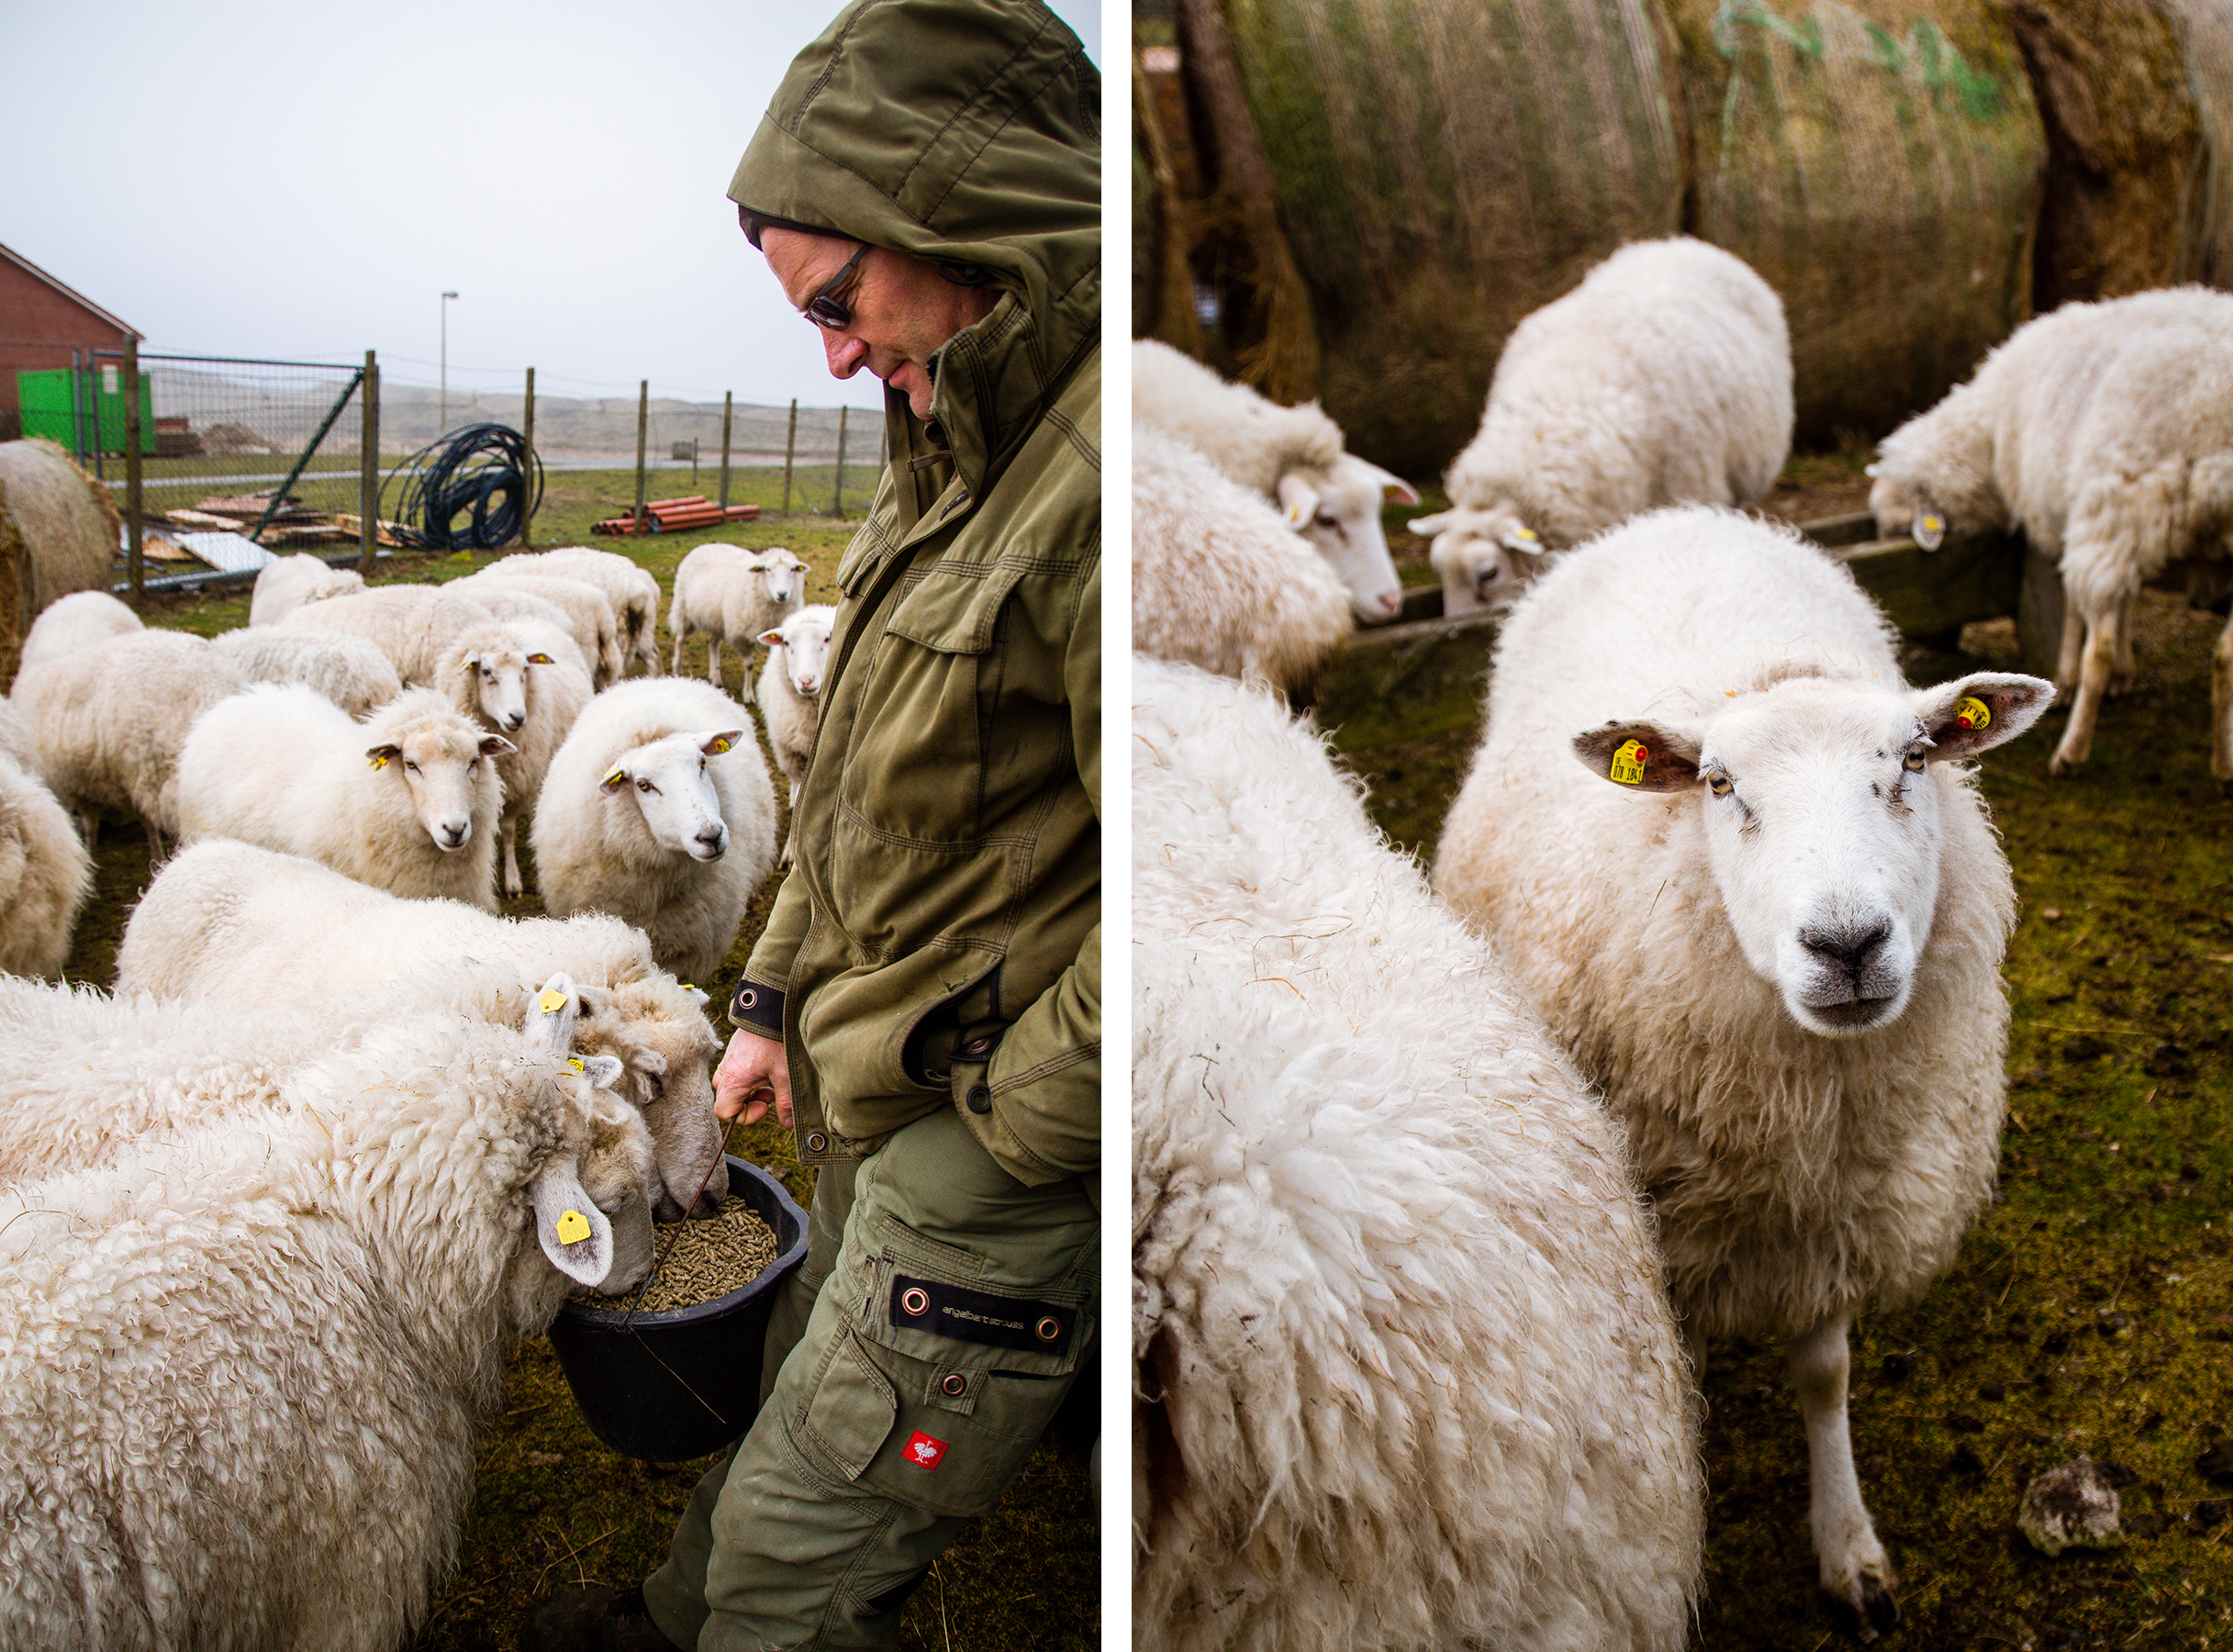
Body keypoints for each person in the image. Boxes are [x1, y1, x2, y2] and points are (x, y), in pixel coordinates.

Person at [523, 1, 1100, 1648]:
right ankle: (665, 1613)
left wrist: (1008, 1124)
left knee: (826, 1510)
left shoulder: (1090, 492)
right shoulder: (948, 453)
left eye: (843, 303)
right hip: (876, 1069)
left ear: (964, 219)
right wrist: (769, 998)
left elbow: (1170, 896)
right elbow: (846, 784)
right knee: (805, 1408)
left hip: (986, 1127)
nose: (836, 355)